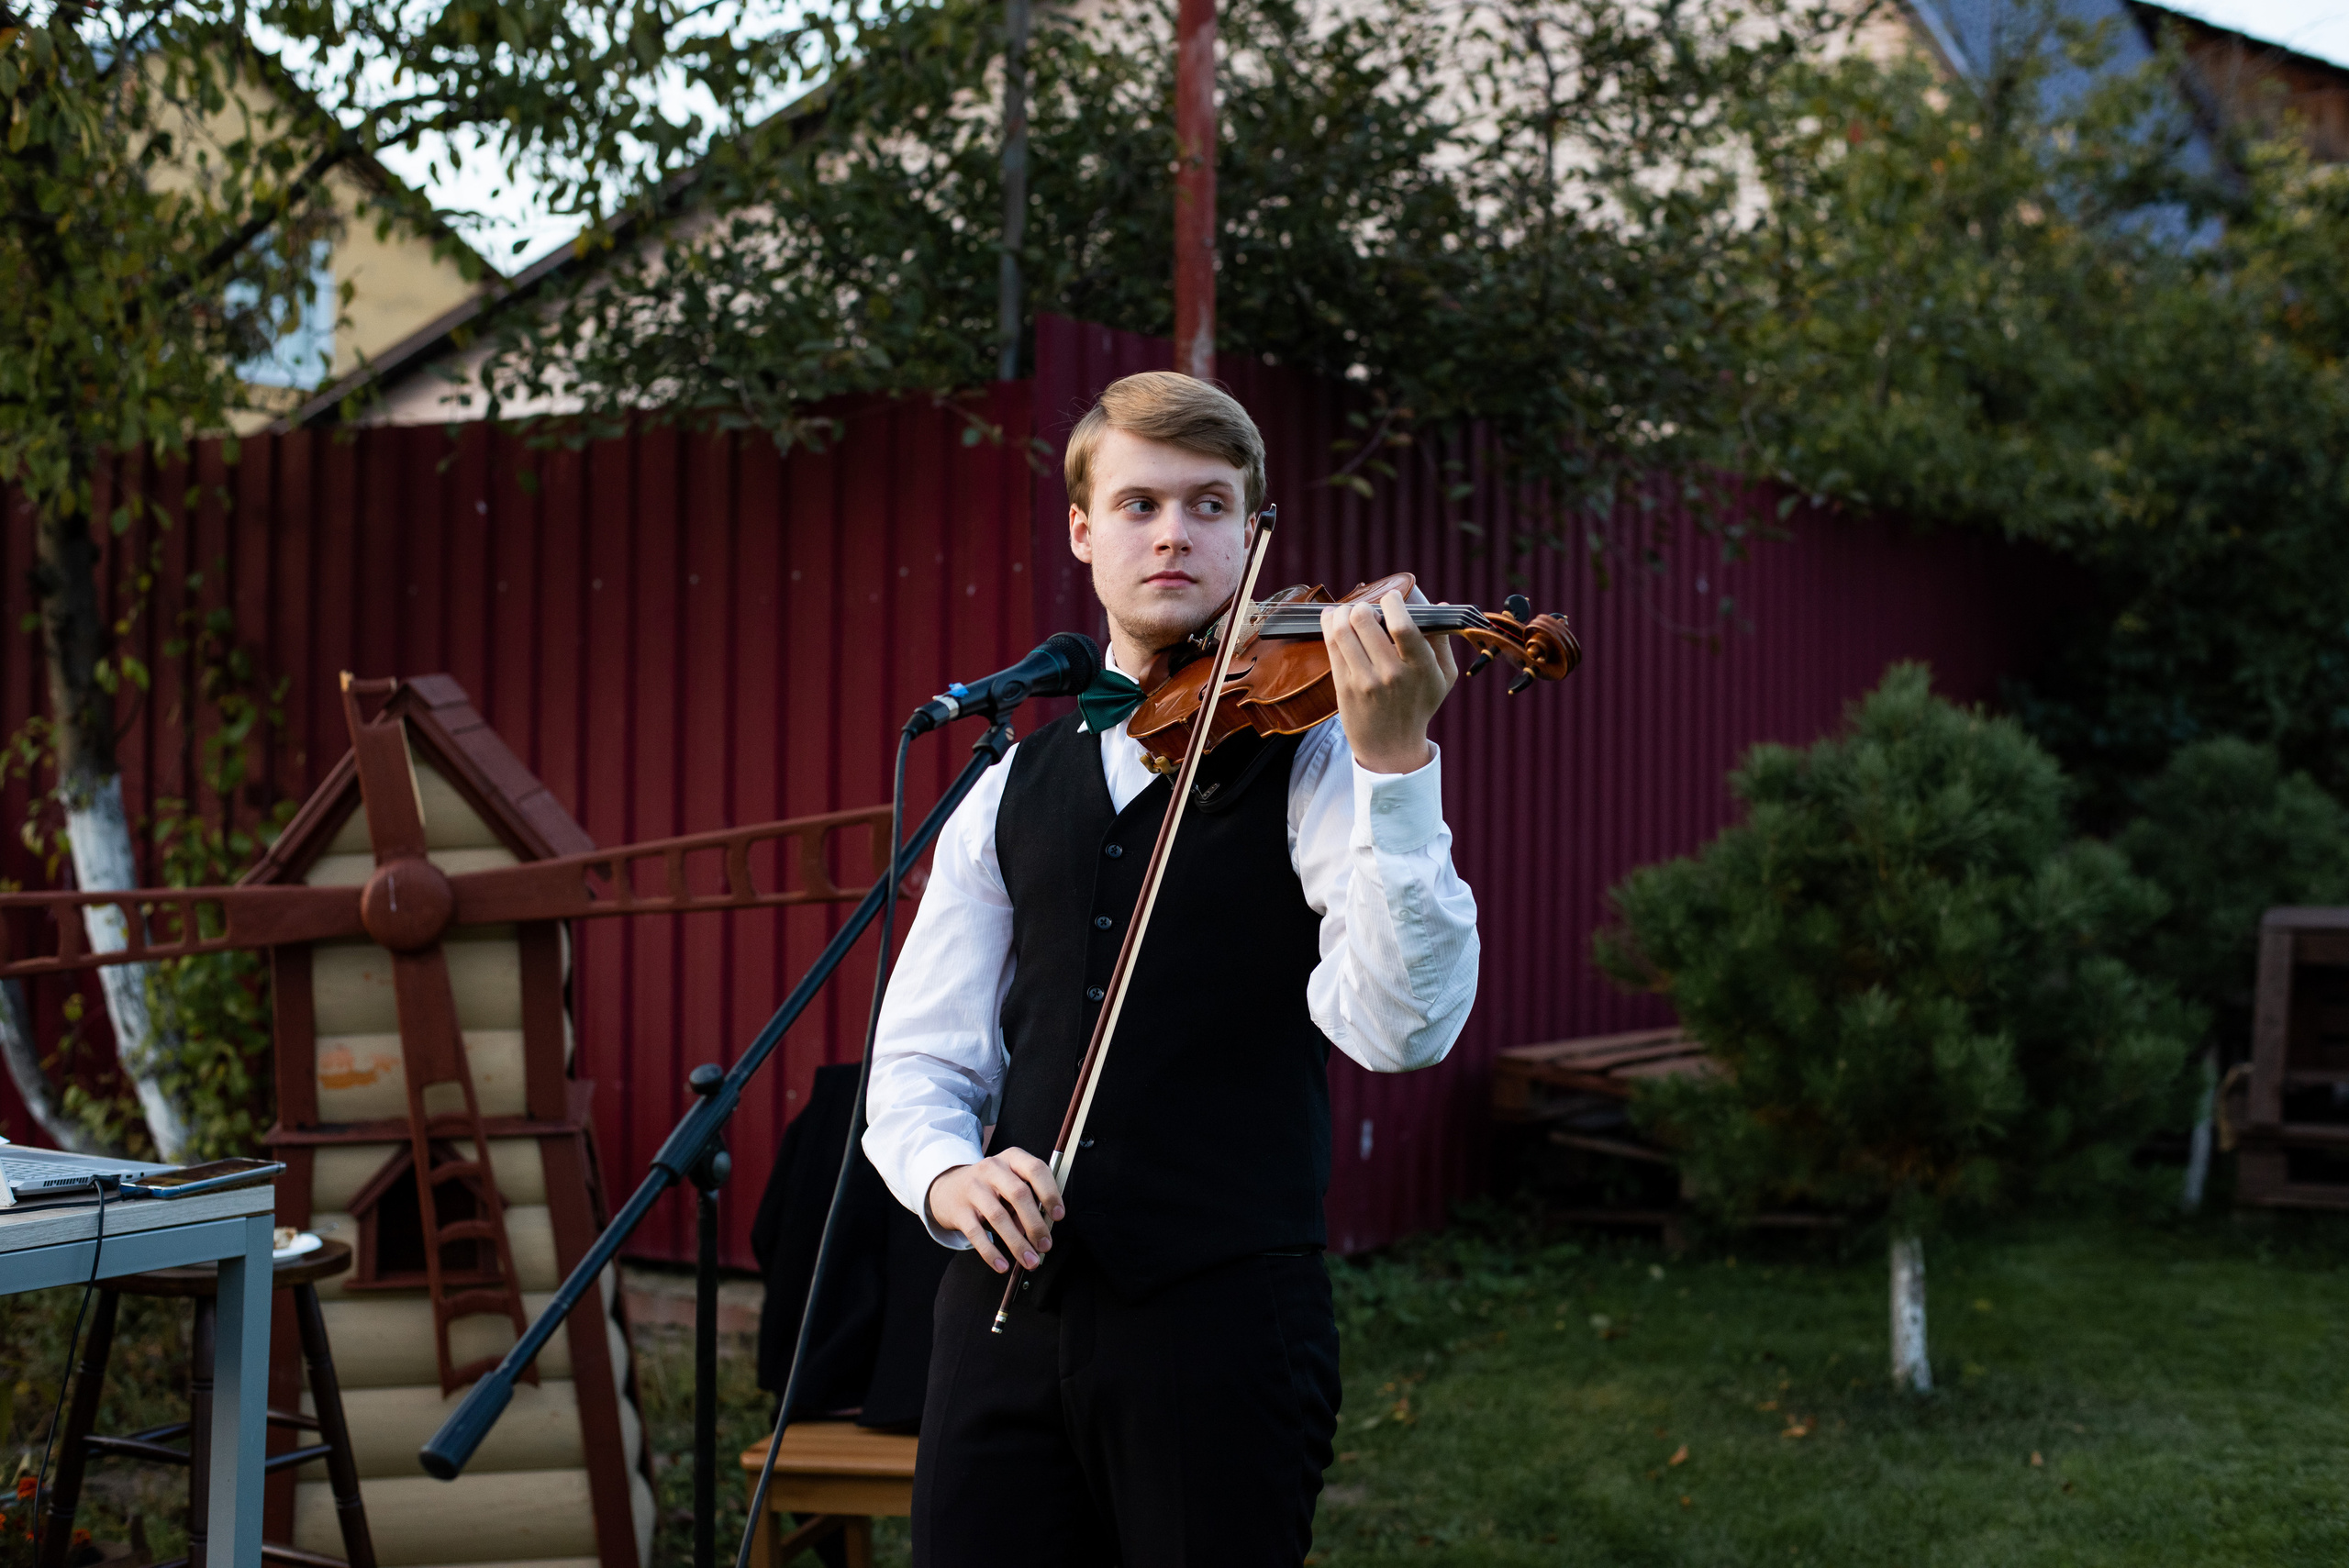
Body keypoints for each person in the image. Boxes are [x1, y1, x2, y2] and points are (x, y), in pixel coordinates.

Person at [862, 371, 1480, 1567]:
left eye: (1208, 505)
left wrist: (1395, 760)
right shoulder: (1007, 782)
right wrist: (945, 1174)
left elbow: (1400, 1028)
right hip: (1003, 1318)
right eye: (1138, 503)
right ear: (1083, 531)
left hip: (1224, 1323)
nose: (1172, 535)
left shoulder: (1319, 756)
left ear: (1251, 536)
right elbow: (921, 1053)